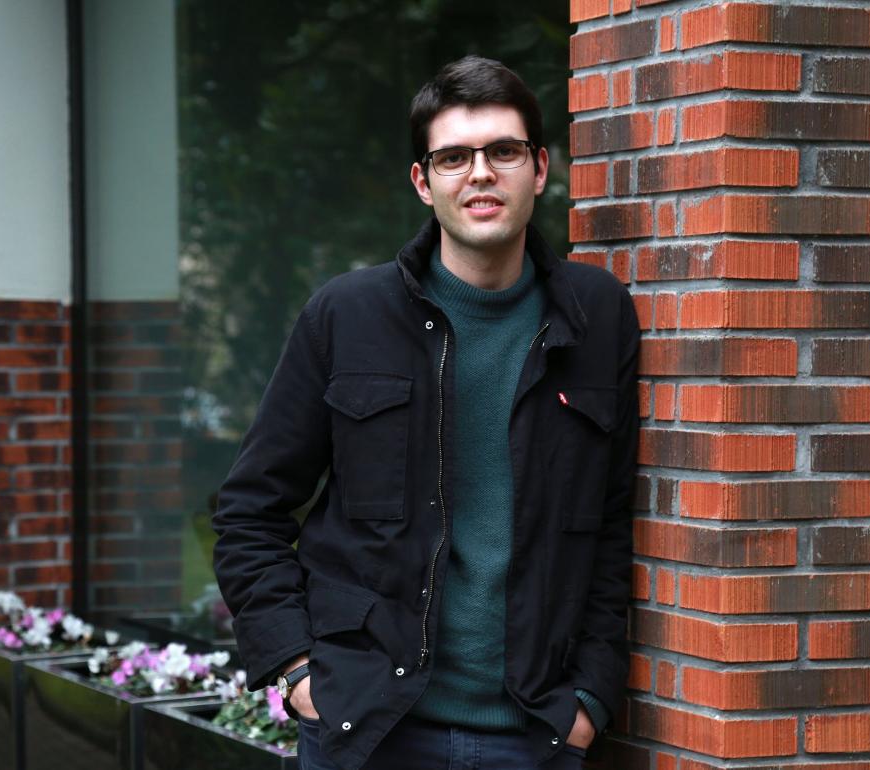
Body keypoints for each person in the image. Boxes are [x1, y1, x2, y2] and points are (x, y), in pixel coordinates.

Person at [213, 55, 639, 770]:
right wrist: (296, 671)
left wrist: (590, 697)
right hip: (370, 730)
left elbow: (613, 523)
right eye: (454, 157)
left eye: (503, 152)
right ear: (423, 181)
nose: (481, 174)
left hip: (535, 736)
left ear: (540, 168)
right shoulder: (347, 316)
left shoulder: (597, 316)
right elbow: (249, 512)